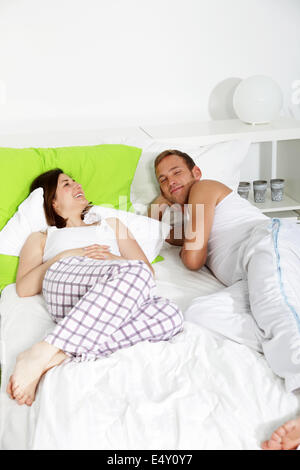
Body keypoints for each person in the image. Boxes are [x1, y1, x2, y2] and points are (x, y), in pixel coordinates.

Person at [6, 168, 183, 407]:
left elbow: (146, 273)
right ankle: (48, 350)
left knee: (171, 315)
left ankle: (54, 354)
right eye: (66, 184)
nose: (76, 185)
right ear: (53, 202)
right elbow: (24, 288)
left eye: (75, 181)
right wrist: (66, 255)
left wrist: (114, 260)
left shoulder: (112, 224)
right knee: (137, 274)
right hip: (66, 281)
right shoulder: (43, 236)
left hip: (111, 294)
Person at [148, 149, 300, 397]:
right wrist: (157, 209)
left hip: (267, 243)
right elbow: (163, 237)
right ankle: (282, 340)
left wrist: (186, 243)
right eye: (162, 180)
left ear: (196, 173)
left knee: (275, 307)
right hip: (248, 277)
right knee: (201, 314)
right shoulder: (192, 221)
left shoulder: (204, 188)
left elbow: (193, 259)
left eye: (176, 172)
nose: (170, 181)